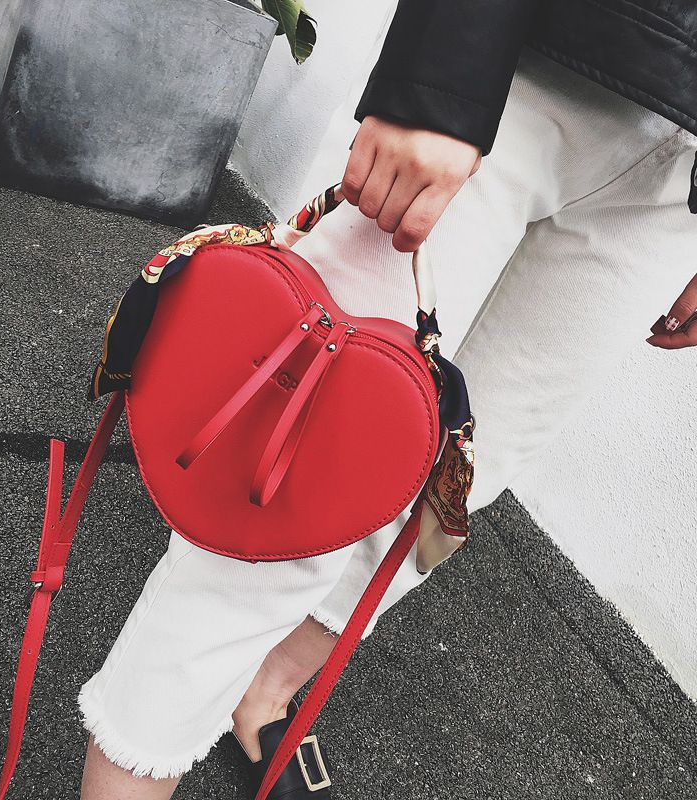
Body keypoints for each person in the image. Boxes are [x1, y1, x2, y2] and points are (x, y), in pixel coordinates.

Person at [77, 1, 697, 797]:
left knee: (454, 482)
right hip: (527, 68)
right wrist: (441, 76)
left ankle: (264, 693)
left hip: (673, 193)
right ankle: (133, 766)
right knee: (284, 484)